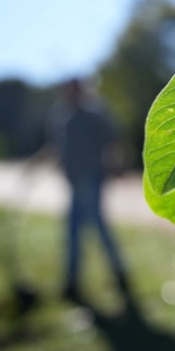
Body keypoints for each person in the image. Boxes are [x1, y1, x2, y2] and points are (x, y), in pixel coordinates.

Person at [47, 78, 131, 304]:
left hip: (91, 179)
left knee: (96, 226)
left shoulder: (93, 114)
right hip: (74, 181)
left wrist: (115, 163)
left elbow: (112, 139)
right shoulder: (63, 117)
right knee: (73, 231)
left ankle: (120, 274)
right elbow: (60, 147)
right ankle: (72, 282)